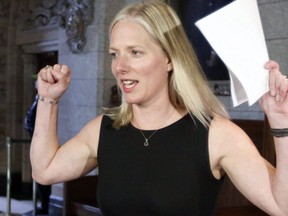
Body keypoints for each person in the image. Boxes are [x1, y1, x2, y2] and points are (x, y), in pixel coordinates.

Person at [30, 1, 288, 216]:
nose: (119, 67)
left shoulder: (217, 135)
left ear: (169, 58)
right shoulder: (103, 129)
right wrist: (47, 100)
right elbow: (44, 171)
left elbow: (282, 206)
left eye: (135, 52)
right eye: (114, 53)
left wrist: (281, 120)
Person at [24, 84, 51, 215]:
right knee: (39, 175)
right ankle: (43, 204)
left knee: (44, 176)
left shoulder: (45, 102)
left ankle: (45, 205)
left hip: (43, 144)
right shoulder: (38, 100)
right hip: (37, 143)